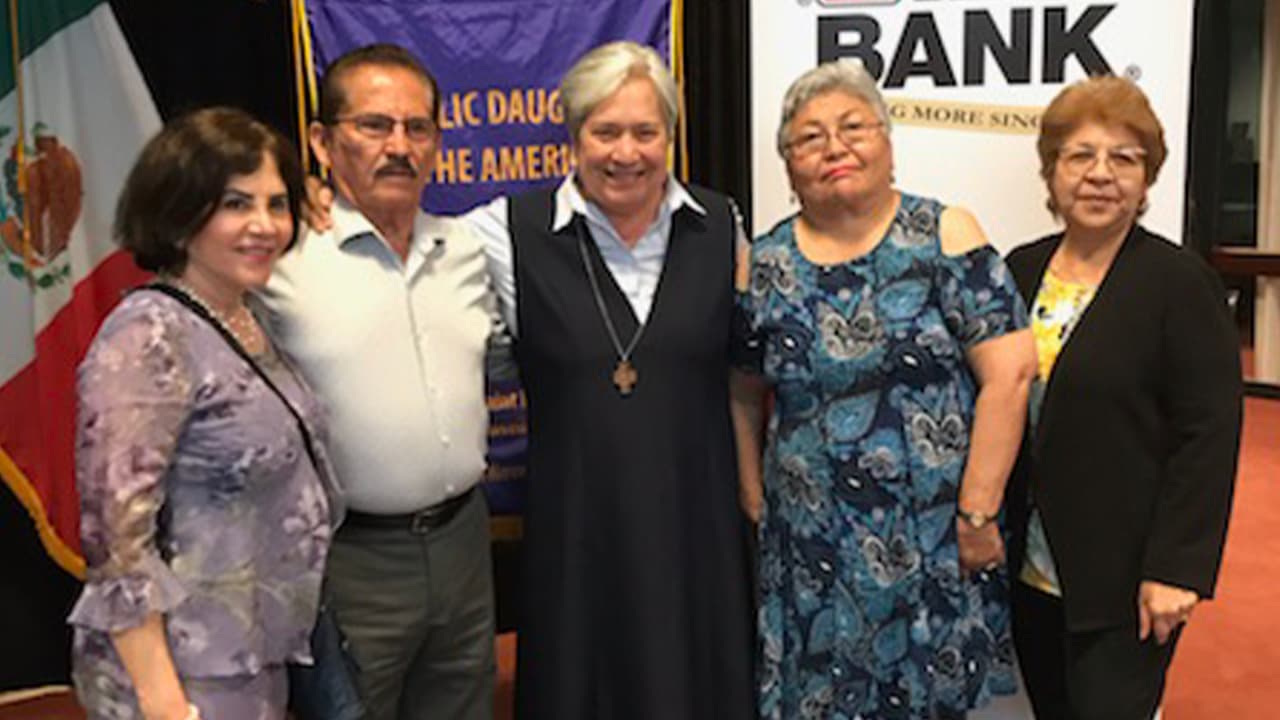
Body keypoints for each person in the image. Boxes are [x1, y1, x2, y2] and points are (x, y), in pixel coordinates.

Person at [303, 39, 755, 720]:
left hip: (697, 524)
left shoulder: (723, 227)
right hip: (577, 529)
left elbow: (746, 374)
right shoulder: (499, 233)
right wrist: (316, 199)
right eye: (605, 131)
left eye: (645, 132)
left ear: (670, 135)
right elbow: (394, 232)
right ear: (573, 137)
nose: (625, 152)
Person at [730, 59, 1037, 719]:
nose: (833, 147)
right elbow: (742, 387)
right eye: (809, 138)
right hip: (808, 547)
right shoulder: (764, 262)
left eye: (852, 127)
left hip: (934, 537)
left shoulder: (946, 233)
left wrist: (979, 512)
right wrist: (754, 496)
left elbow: (1010, 375)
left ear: (888, 141)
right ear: (787, 164)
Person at [69, 107, 336, 720]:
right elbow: (118, 546)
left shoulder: (246, 317)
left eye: (277, 204)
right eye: (236, 204)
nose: (265, 226)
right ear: (180, 213)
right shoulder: (147, 338)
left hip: (251, 657)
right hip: (183, 677)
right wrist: (165, 704)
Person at [258, 44, 496, 720]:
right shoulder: (280, 257)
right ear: (322, 141)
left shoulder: (468, 249)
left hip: (463, 545)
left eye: (417, 128)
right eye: (374, 126)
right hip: (349, 560)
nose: (400, 146)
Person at [1004, 75, 1243, 720]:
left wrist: (1178, 569)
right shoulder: (1017, 270)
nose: (1100, 174)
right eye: (1080, 156)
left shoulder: (1179, 283)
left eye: (1124, 158)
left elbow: (1209, 434)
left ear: (1146, 179)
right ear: (1052, 171)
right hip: (1027, 564)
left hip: (1126, 575)